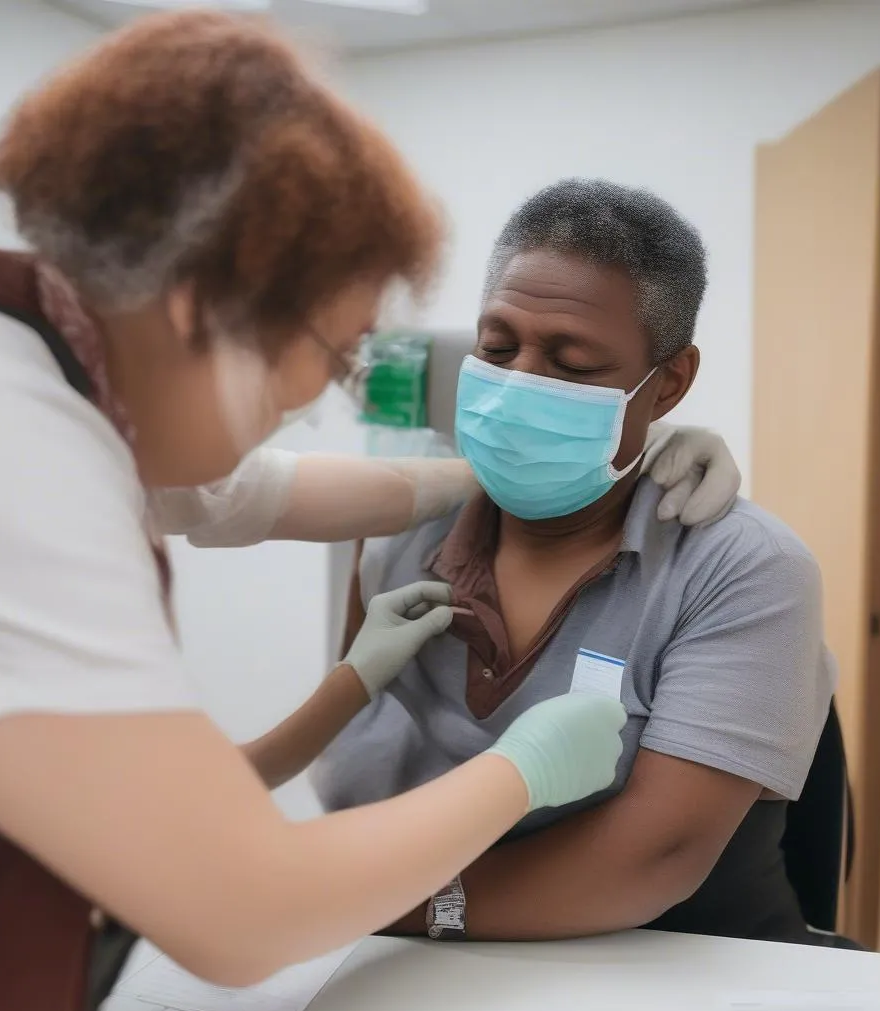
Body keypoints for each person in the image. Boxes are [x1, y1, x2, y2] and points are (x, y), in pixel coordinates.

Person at [0, 14, 741, 1011]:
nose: (316, 394)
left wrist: (560, 461)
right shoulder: (2, 444)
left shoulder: (21, 363)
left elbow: (259, 492)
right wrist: (519, 769)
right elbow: (238, 908)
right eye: (334, 353)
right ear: (207, 308)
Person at [270, 180, 836, 944]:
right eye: (497, 348)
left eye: (572, 366)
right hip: (411, 967)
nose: (517, 387)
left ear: (667, 383)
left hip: (673, 975)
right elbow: (345, 779)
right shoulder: (401, 531)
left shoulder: (740, 568)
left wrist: (371, 905)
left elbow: (653, 857)